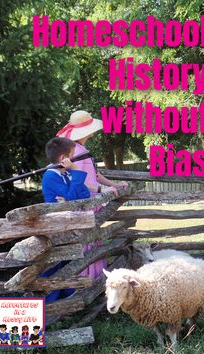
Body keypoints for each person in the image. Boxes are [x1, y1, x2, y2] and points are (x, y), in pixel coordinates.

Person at [56, 110, 128, 279]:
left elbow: (94, 174)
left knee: (92, 241)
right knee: (87, 244)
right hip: (83, 205)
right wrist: (103, 191)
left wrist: (113, 184)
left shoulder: (79, 148)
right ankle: (87, 281)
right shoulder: (76, 151)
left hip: (89, 203)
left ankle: (94, 281)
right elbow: (77, 180)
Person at [41, 137, 90, 302]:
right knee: (56, 265)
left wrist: (71, 193)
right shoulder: (51, 176)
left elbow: (84, 195)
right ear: (64, 159)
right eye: (73, 155)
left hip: (68, 225)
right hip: (57, 228)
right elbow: (73, 199)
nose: (75, 159)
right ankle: (51, 302)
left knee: (68, 263)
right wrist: (75, 173)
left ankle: (67, 300)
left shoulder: (66, 174)